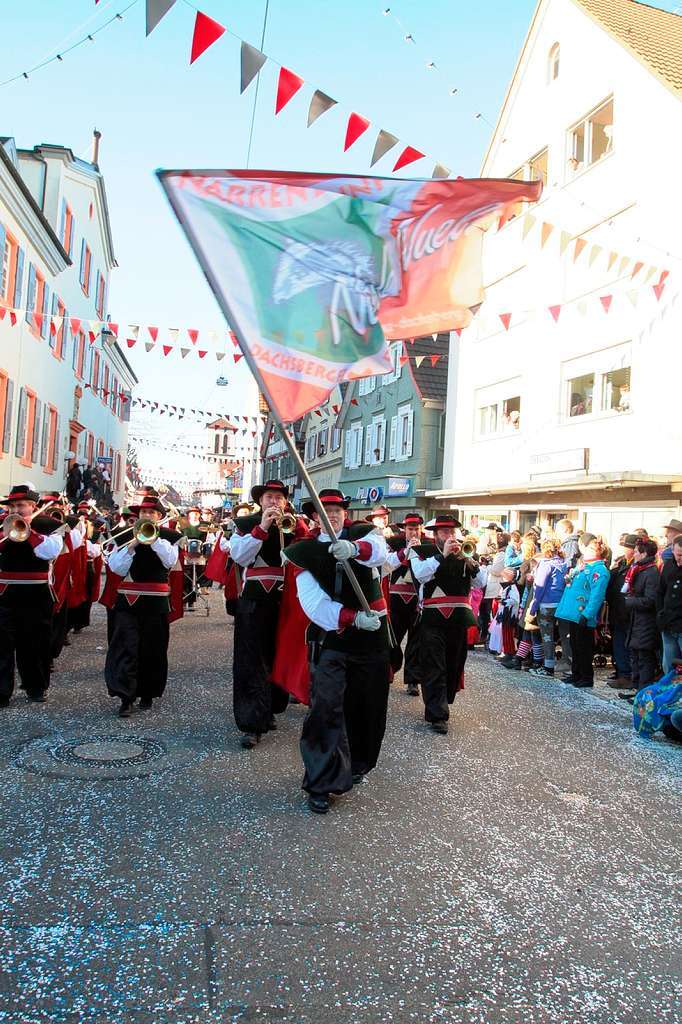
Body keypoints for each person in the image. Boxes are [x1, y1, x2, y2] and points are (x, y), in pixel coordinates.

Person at [284, 489, 390, 815]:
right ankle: (320, 782)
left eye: (336, 510)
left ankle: (356, 763)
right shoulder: (302, 552)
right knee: (325, 709)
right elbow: (314, 605)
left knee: (368, 708)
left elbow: (380, 555)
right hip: (333, 639)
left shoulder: (365, 534)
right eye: (323, 510)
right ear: (314, 516)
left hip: (374, 640)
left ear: (345, 513)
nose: (331, 515)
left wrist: (355, 549)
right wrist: (353, 617)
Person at [229, 480, 309, 749]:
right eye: (269, 498)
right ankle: (252, 723)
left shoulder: (297, 525)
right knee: (252, 660)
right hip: (254, 599)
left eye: (279, 498)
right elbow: (239, 557)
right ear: (260, 502)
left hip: (286, 599)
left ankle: (272, 708)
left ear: (286, 503)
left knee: (281, 655)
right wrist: (262, 527)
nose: (274, 502)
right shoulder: (244, 525)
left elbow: (308, 558)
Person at [103, 494, 179, 717]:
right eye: (143, 513)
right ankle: (126, 697)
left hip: (156, 602)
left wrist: (154, 540)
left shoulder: (169, 538)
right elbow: (116, 568)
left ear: (159, 517)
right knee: (126, 646)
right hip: (128, 600)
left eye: (151, 513)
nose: (146, 516)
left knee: (153, 648)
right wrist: (132, 545)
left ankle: (147, 692)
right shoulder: (125, 536)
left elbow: (170, 561)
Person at [409, 514, 479, 734]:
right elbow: (419, 575)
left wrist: (471, 563)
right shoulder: (421, 552)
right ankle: (437, 714)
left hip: (459, 619)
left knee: (453, 663)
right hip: (432, 618)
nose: (449, 536)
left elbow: (482, 583)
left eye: (452, 532)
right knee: (434, 664)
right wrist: (442, 556)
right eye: (444, 532)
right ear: (435, 534)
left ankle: (442, 702)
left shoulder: (464, 554)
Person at [0, 485, 63, 707]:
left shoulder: (49, 526)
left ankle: (36, 687)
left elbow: (51, 552)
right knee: (2, 644)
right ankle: (1, 692)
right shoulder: (2, 526)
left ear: (33, 506)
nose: (16, 509)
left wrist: (29, 533)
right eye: (13, 506)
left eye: (21, 505)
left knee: (34, 643)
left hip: (36, 593)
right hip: (5, 593)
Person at [555, 534, 610, 689]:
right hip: (573, 613)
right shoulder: (584, 566)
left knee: (584, 647)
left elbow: (596, 595)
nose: (585, 551)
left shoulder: (600, 570)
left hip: (583, 613)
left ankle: (586, 676)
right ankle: (576, 673)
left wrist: (588, 614)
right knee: (575, 644)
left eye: (590, 549)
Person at [385, 512, 423, 696]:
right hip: (396, 596)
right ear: (404, 530)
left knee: (416, 642)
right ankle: (389, 670)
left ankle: (413, 680)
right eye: (410, 529)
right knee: (393, 638)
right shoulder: (394, 543)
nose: (414, 532)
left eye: (416, 529)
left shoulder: (429, 546)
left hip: (417, 598)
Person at [527, 538, 568, 678]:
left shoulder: (545, 564)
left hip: (546, 605)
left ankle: (548, 666)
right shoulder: (563, 563)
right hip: (560, 604)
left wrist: (533, 607)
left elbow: (540, 588)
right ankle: (567, 663)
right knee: (563, 636)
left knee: (547, 636)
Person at [623, 538, 660, 692]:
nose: (634, 554)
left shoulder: (651, 572)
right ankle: (636, 688)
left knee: (644, 658)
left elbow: (650, 600)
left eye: (637, 552)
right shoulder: (639, 569)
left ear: (644, 553)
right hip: (637, 620)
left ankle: (643, 692)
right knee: (636, 655)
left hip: (646, 622)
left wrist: (630, 601)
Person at [606, 534, 637, 688]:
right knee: (618, 644)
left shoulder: (638, 566)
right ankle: (622, 673)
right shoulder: (621, 564)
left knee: (628, 645)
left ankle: (629, 675)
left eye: (629, 547)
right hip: (617, 610)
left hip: (629, 612)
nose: (626, 550)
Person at [554, 518, 581, 672]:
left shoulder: (570, 544)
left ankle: (568, 660)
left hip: (567, 591)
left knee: (567, 629)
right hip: (566, 591)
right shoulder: (569, 543)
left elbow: (567, 567)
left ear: (564, 529)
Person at [656, 535, 682, 672]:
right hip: (668, 624)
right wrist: (660, 614)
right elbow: (660, 592)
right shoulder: (668, 566)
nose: (680, 559)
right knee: (669, 666)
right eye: (678, 555)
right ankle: (671, 692)